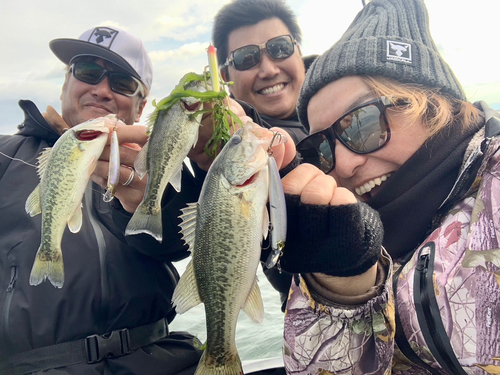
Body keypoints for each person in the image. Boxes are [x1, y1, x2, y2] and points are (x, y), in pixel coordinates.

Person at [269, 0, 500, 373]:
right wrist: (342, 289)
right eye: (321, 149)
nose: (342, 165)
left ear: (434, 103)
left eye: (361, 123)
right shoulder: (344, 237)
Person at [0, 26, 207, 375]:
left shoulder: (160, 164)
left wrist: (147, 202)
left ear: (141, 106)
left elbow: (181, 244)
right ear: (66, 81)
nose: (101, 89)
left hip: (160, 359)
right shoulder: (6, 156)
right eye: (88, 72)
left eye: (122, 83)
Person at [212, 0, 314, 146]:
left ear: (298, 52)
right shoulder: (224, 144)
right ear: (225, 78)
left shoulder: (348, 97)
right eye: (246, 58)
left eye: (280, 48)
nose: (269, 71)